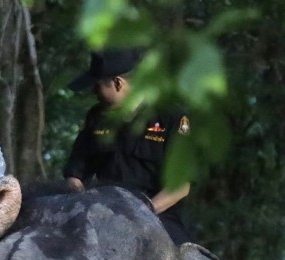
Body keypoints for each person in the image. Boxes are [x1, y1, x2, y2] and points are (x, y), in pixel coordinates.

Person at [61, 48, 193, 244]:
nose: (94, 92)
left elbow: (180, 186)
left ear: (117, 83)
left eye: (97, 86)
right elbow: (75, 174)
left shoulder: (172, 117)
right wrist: (83, 204)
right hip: (103, 210)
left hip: (157, 213)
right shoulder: (96, 117)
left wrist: (143, 212)